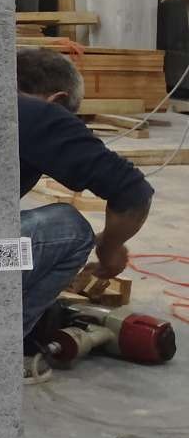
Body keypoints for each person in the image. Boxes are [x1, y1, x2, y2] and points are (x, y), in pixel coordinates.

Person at [15, 48, 153, 369]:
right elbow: (132, 192)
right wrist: (110, 247)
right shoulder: (38, 114)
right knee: (72, 230)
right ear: (58, 101)